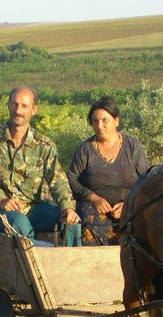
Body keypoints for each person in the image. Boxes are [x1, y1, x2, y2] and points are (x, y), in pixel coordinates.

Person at [0, 86, 81, 244]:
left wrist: (68, 208)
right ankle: (33, 267)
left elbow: (58, 180)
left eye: (24, 106)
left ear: (34, 110)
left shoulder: (44, 145)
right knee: (20, 223)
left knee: (73, 223)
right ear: (9, 106)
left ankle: (73, 265)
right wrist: (1, 199)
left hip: (33, 208)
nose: (18, 110)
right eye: (14, 104)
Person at [67, 96, 149, 245]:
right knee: (88, 224)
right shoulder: (85, 149)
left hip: (129, 208)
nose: (100, 125)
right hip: (93, 209)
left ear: (116, 121)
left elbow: (146, 180)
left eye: (105, 120)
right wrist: (94, 199)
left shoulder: (133, 147)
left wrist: (128, 204)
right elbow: (72, 179)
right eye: (95, 121)